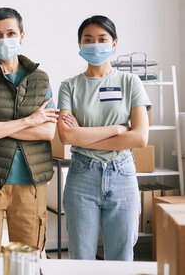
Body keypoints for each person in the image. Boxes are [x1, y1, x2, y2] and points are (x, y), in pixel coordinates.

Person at [0, 7, 57, 257]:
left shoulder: (41, 80)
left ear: (22, 35)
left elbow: (47, 131)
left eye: (11, 32)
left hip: (30, 183)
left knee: (26, 263)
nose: (4, 39)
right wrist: (30, 120)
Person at [58, 15, 151, 260]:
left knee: (121, 260)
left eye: (102, 39)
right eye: (88, 39)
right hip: (81, 176)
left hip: (122, 175)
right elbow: (66, 136)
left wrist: (83, 136)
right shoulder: (69, 86)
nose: (95, 44)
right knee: (81, 260)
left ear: (114, 43)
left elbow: (140, 137)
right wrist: (117, 129)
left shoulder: (130, 82)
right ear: (79, 44)